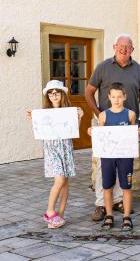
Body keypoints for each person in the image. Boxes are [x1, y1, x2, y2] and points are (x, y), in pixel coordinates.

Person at [85, 33, 140, 221]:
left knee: (124, 162)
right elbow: (89, 92)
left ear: (132, 50)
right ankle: (100, 204)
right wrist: (99, 115)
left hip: (128, 123)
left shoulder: (138, 69)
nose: (124, 49)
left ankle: (120, 200)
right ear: (114, 47)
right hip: (105, 123)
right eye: (121, 46)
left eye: (128, 46)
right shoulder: (103, 67)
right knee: (102, 167)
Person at [27, 80, 83, 228]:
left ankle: (60, 215)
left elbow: (74, 131)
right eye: (51, 93)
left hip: (65, 148)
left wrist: (80, 117)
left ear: (62, 94)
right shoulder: (44, 113)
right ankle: (50, 212)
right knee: (59, 180)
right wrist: (34, 119)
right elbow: (40, 128)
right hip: (52, 150)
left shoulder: (69, 110)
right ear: (48, 96)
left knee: (65, 184)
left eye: (57, 92)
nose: (54, 95)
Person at [88, 82, 140, 230]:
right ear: (109, 97)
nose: (116, 99)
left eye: (119, 96)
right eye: (113, 97)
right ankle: (109, 216)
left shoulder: (131, 114)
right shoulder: (103, 115)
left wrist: (139, 134)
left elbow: (134, 136)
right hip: (108, 156)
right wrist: (92, 132)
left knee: (126, 186)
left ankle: (126, 217)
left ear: (125, 97)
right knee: (107, 186)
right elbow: (100, 136)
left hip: (125, 156)